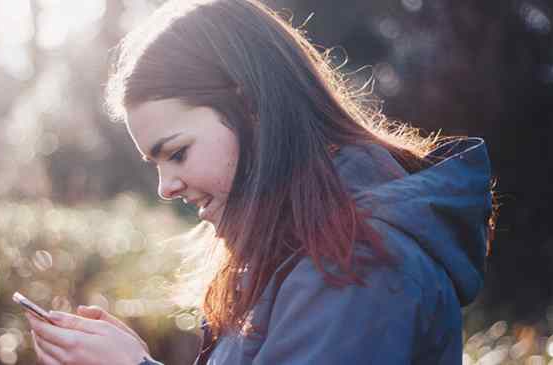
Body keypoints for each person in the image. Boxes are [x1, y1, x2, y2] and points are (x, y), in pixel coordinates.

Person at [26, 0, 495, 364]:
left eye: (177, 153)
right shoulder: (300, 248)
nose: (166, 186)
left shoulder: (358, 262)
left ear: (252, 109)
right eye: (156, 163)